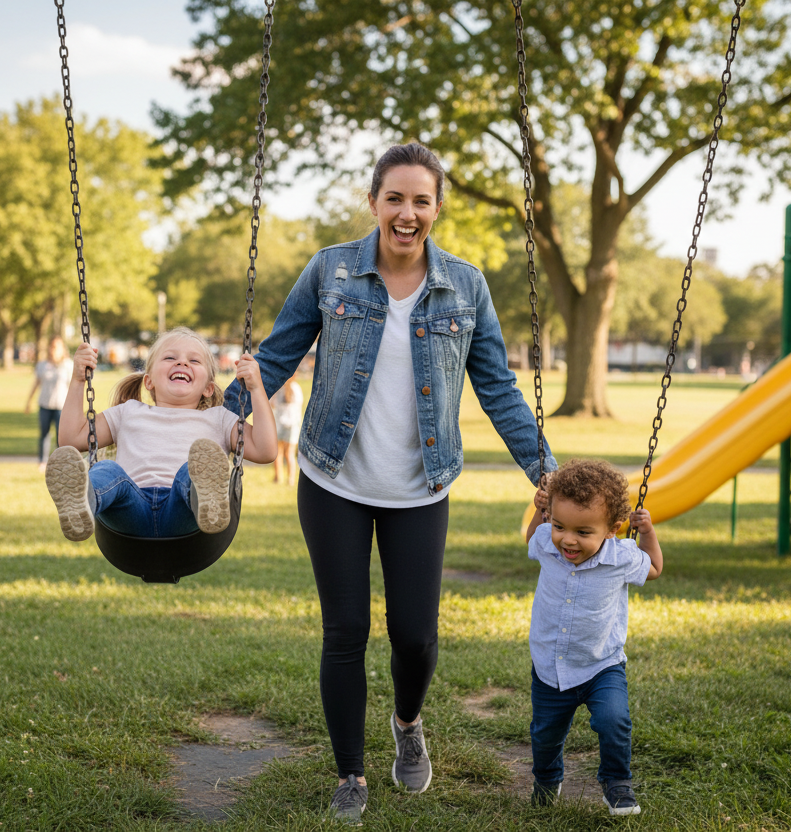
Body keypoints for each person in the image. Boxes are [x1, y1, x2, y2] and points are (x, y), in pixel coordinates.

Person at [221, 143, 557, 824]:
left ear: (437, 208)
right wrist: (203, 428)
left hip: (420, 486)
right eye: (395, 198)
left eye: (421, 200)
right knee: (345, 629)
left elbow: (497, 387)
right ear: (373, 202)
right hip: (333, 477)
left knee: (416, 636)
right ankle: (351, 775)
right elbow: (278, 355)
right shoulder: (331, 270)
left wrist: (545, 472)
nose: (408, 213)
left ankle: (408, 722)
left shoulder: (466, 287)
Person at [523, 459, 663, 817]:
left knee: (614, 720)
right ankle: (547, 779)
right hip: (550, 666)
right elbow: (533, 539)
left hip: (602, 664)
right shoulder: (548, 542)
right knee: (544, 735)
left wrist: (647, 533)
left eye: (583, 532)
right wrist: (540, 516)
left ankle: (617, 783)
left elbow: (655, 569)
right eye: (559, 526)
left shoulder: (622, 557)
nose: (567, 539)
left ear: (612, 529)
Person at [44, 327, 276, 541]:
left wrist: (256, 387)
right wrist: (77, 380)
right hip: (130, 510)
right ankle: (82, 502)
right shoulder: (128, 412)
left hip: (183, 515)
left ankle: (209, 503)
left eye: (194, 360)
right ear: (149, 381)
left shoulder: (220, 418)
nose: (182, 363)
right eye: (170, 358)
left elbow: (265, 450)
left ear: (209, 388)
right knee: (107, 469)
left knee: (193, 470)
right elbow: (71, 439)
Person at [25, 338, 74, 471]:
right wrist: (28, 401)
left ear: (62, 349)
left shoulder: (68, 365)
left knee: (61, 437)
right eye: (51, 347)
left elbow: (73, 387)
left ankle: (60, 463)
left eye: (56, 347)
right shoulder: (42, 365)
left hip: (61, 406)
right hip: (45, 405)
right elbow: (36, 383)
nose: (53, 350)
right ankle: (42, 461)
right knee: (44, 434)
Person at [270, 374, 304, 486]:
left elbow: (272, 404)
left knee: (278, 453)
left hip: (279, 423)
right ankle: (290, 480)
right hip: (292, 425)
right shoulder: (296, 388)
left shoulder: (279, 389)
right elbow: (299, 406)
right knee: (289, 454)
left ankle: (277, 477)